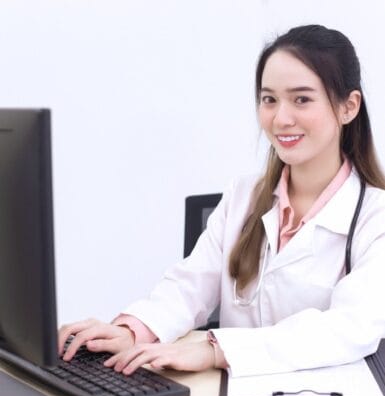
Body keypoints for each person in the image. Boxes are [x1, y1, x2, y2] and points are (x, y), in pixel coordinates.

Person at [59, 24, 385, 378]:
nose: (281, 118)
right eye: (269, 99)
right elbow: (190, 286)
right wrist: (132, 330)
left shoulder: (375, 216)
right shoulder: (242, 196)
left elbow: (350, 327)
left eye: (302, 99)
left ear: (348, 107)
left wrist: (214, 351)